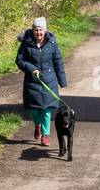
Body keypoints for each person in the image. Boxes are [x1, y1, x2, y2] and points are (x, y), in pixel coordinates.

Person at [15, 16, 68, 146]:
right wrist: (31, 69)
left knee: (46, 110)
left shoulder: (52, 44)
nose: (38, 33)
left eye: (40, 30)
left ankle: (45, 135)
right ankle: (37, 125)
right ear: (32, 30)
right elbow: (20, 60)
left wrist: (62, 81)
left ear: (45, 30)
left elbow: (58, 62)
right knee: (35, 110)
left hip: (49, 81)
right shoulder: (26, 43)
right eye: (36, 30)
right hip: (32, 82)